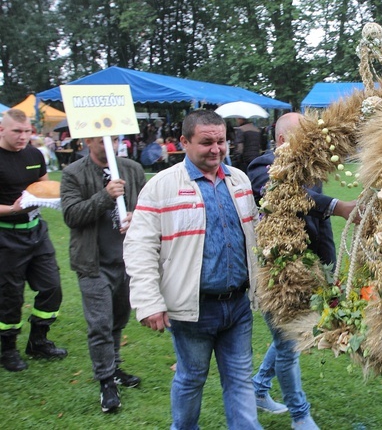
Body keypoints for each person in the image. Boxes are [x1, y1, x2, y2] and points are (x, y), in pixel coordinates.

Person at [123, 109, 262, 429]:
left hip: (238, 305)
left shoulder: (239, 180)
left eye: (222, 142)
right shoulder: (161, 187)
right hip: (192, 308)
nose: (216, 149)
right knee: (191, 379)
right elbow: (139, 246)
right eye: (206, 142)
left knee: (240, 379)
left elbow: (254, 230)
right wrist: (149, 301)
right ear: (183, 142)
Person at [248, 112, 357, 430]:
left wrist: (329, 270)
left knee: (288, 338)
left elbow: (320, 227)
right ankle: (300, 415)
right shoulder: (262, 166)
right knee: (288, 343)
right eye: (304, 136)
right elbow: (290, 196)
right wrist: (337, 205)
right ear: (282, 140)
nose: (312, 142)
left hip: (308, 269)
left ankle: (258, 388)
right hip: (277, 273)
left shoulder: (310, 169)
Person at [60, 135, 147, 412]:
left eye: (116, 139)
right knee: (99, 324)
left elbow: (150, 208)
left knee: (118, 318)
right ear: (88, 141)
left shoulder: (132, 169)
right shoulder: (73, 173)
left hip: (126, 260)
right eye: (101, 141)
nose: (110, 145)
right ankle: (106, 381)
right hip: (93, 263)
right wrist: (104, 196)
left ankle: (115, 366)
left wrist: (137, 216)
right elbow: (71, 215)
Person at [0, 109, 68, 372]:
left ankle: (38, 341)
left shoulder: (34, 154)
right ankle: (7, 350)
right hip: (5, 234)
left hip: (36, 231)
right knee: (10, 296)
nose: (23, 137)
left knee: (52, 286)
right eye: (17, 131)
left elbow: (43, 185)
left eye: (27, 131)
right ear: (2, 130)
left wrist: (49, 198)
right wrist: (14, 209)